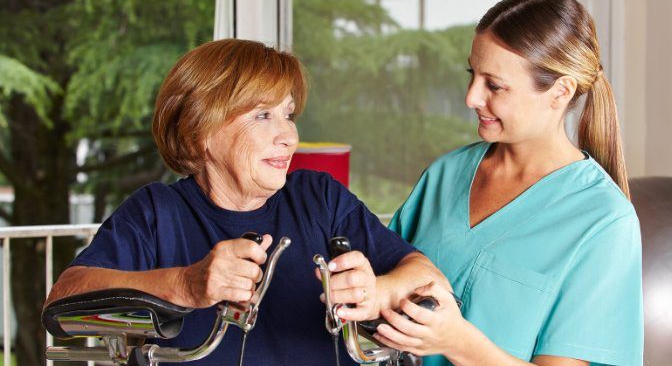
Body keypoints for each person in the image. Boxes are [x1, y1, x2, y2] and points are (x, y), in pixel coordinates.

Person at [44, 39, 447, 366]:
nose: (289, 136)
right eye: (262, 116)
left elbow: (427, 277)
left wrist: (378, 289)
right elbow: (62, 303)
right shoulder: (156, 212)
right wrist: (186, 284)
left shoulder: (319, 197)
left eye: (289, 114)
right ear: (200, 130)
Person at [376, 0, 643, 366]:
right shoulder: (446, 174)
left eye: (494, 85)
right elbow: (383, 285)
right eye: (473, 74)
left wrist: (457, 342)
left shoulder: (604, 222)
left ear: (560, 91)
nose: (471, 97)